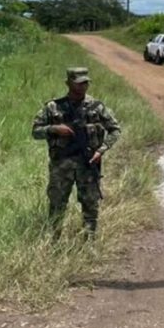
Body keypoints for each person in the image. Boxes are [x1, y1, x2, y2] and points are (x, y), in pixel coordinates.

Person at [32, 67, 121, 238]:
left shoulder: (96, 107)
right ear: (68, 83)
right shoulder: (53, 107)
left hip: (87, 164)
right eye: (79, 83)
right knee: (57, 204)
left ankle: (89, 242)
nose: (83, 87)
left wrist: (101, 151)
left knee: (90, 205)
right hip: (61, 165)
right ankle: (53, 241)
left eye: (86, 83)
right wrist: (54, 128)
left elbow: (115, 130)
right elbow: (35, 131)